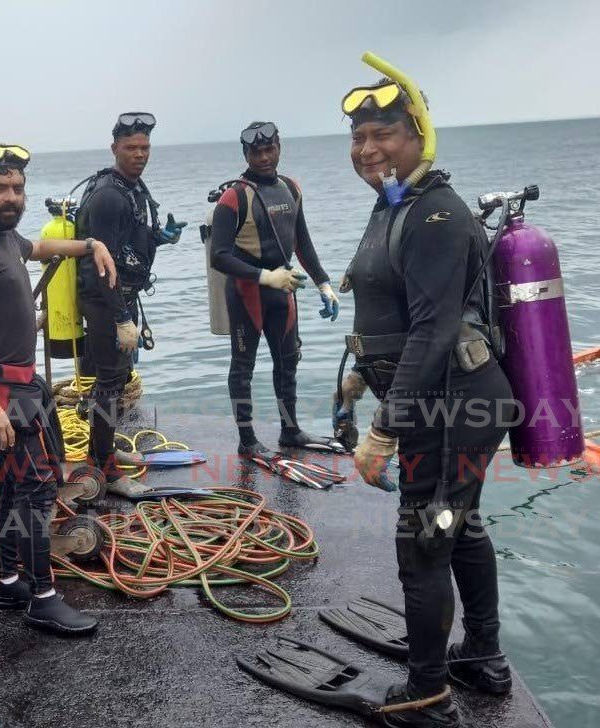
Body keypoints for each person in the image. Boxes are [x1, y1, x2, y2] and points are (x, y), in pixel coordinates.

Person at [338, 78, 513, 726]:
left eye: (383, 133)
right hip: (445, 403)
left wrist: (382, 429)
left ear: (419, 134)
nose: (367, 148)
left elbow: (435, 328)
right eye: (358, 136)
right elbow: (392, 304)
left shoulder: (436, 212)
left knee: (423, 539)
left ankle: (427, 695)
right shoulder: (393, 202)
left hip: (452, 406)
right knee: (457, 525)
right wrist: (361, 377)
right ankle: (484, 659)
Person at [0, 143, 117, 635]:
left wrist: (90, 245)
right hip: (1, 392)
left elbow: (38, 248)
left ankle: (4, 581)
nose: (11, 196)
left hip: (18, 386)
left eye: (17, 188)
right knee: (38, 490)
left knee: (7, 486)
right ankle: (42, 598)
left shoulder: (4, 237)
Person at [210, 121, 340, 456]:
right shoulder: (233, 197)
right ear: (246, 153)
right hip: (247, 294)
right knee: (243, 366)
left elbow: (303, 243)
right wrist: (266, 277)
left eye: (270, 149)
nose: (264, 157)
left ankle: (290, 430)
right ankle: (247, 440)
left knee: (288, 363)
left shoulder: (290, 188)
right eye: (256, 151)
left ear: (279, 147)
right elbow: (219, 257)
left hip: (284, 293)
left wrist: (324, 283)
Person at [75, 112, 186, 498]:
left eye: (145, 148)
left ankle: (104, 452)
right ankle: (103, 468)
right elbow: (101, 261)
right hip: (106, 300)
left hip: (123, 296)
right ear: (114, 149)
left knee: (119, 379)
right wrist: (121, 318)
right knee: (108, 382)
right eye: (131, 148)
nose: (140, 154)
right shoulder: (108, 195)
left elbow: (130, 245)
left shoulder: (133, 187)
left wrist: (160, 238)